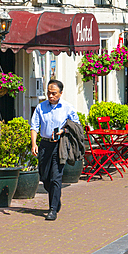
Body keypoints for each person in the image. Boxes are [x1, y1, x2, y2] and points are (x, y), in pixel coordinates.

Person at [31, 79, 79, 221]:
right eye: (48, 93)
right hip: (45, 144)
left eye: (54, 93)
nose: (51, 96)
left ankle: (52, 209)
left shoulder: (67, 107)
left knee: (56, 176)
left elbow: (76, 125)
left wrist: (64, 130)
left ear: (60, 93)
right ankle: (56, 199)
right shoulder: (41, 107)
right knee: (45, 177)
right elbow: (34, 126)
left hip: (60, 145)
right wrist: (34, 144)